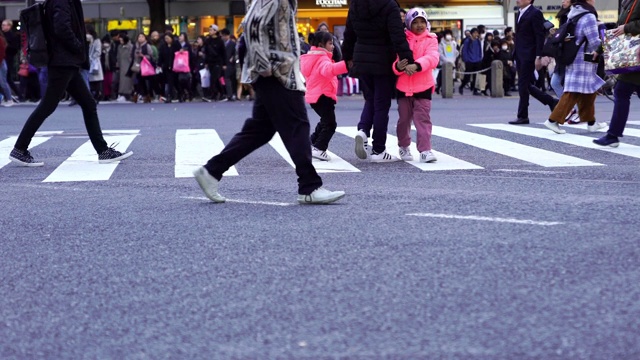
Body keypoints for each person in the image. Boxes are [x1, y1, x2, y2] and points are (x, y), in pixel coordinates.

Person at [193, 0, 345, 205]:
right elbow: (252, 25)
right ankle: (310, 186)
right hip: (278, 73)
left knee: (259, 131)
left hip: (276, 72)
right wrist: (264, 66)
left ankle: (212, 171)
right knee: (298, 126)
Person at [8, 0, 132, 166]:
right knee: (48, 106)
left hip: (66, 62)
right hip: (63, 62)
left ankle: (103, 151)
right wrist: (78, 46)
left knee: (87, 104)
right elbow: (61, 27)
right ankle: (19, 148)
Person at [341, 0, 415, 162]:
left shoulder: (356, 4)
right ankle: (379, 150)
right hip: (383, 60)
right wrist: (408, 59)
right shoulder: (389, 5)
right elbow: (397, 35)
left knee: (370, 99)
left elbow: (349, 34)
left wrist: (347, 57)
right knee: (382, 105)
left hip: (361, 58)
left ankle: (363, 130)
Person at [543, 0, 605, 134]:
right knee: (573, 92)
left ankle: (591, 122)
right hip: (583, 59)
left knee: (589, 90)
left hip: (574, 57)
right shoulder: (588, 16)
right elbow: (594, 42)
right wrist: (606, 46)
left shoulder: (574, 12)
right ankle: (553, 120)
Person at [393, 8, 439, 163]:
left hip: (423, 86)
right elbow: (394, 61)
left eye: (422, 22)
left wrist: (417, 66)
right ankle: (404, 145)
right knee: (404, 120)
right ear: (408, 24)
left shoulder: (431, 39)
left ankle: (425, 150)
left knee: (423, 119)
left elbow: (432, 57)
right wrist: (397, 67)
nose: (419, 25)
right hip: (403, 86)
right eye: (415, 22)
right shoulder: (402, 39)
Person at [594, 0, 640, 147]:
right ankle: (613, 135)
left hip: (636, 55)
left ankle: (613, 135)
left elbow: (624, 27)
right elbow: (618, 29)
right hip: (632, 55)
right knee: (622, 91)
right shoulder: (629, 1)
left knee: (621, 91)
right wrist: (599, 49)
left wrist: (627, 27)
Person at [509, 0, 560, 125]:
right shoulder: (520, 12)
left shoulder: (535, 13)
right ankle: (551, 102)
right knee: (526, 85)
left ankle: (523, 115)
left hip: (529, 55)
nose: (518, 0)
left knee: (523, 85)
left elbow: (539, 36)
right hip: (520, 54)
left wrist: (538, 56)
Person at [300, 31, 348, 161]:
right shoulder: (322, 58)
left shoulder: (313, 57)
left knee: (325, 121)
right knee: (330, 124)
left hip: (317, 96)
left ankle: (310, 143)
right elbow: (329, 70)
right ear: (321, 45)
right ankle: (319, 148)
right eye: (330, 43)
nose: (333, 46)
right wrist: (346, 65)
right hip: (323, 96)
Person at [204, 24, 226, 101]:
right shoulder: (207, 41)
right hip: (210, 62)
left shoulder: (220, 41)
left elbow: (223, 53)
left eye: (211, 30)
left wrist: (224, 64)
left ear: (215, 31)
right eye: (209, 30)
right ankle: (221, 93)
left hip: (218, 62)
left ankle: (214, 94)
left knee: (214, 78)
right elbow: (206, 52)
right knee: (215, 79)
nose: (209, 31)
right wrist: (206, 62)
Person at [459, 28, 483, 96]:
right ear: (471, 33)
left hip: (477, 60)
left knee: (476, 76)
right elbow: (465, 51)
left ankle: (475, 90)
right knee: (467, 76)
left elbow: (479, 50)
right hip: (469, 60)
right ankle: (462, 86)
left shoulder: (478, 41)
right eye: (475, 33)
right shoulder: (467, 41)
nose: (476, 34)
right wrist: (466, 59)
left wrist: (480, 58)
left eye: (477, 33)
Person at [2, 20, 20, 101]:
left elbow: (15, 48)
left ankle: (17, 95)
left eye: (4, 25)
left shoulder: (12, 36)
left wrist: (6, 47)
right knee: (6, 78)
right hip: (5, 58)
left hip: (8, 58)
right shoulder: (3, 35)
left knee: (7, 78)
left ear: (9, 26)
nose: (2, 26)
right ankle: (9, 96)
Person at [436, 29, 458, 94]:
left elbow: (455, 53)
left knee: (452, 76)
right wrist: (445, 60)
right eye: (447, 34)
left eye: (450, 34)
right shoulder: (441, 44)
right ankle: (440, 87)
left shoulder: (453, 44)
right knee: (442, 76)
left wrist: (453, 59)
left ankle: (451, 87)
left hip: (452, 62)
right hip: (444, 63)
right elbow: (440, 54)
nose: (449, 36)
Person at [219, 28, 237, 101]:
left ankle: (230, 94)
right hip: (222, 63)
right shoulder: (221, 43)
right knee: (223, 79)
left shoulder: (233, 44)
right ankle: (225, 94)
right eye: (222, 36)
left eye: (224, 36)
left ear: (228, 36)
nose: (223, 37)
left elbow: (236, 52)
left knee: (229, 79)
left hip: (230, 63)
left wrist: (233, 57)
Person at [0, 30, 15, 106]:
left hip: (1, 63)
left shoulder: (0, 39)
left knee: (3, 82)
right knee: (3, 82)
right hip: (2, 62)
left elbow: (2, 52)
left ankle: (9, 99)